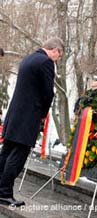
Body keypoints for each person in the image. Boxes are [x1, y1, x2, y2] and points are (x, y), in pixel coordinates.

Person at [0, 37, 64, 207]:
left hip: (15, 115)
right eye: (59, 55)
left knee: (6, 153)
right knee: (17, 156)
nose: (58, 59)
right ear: (55, 50)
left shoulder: (28, 59)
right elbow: (47, 93)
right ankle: (4, 193)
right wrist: (42, 114)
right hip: (28, 117)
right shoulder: (46, 62)